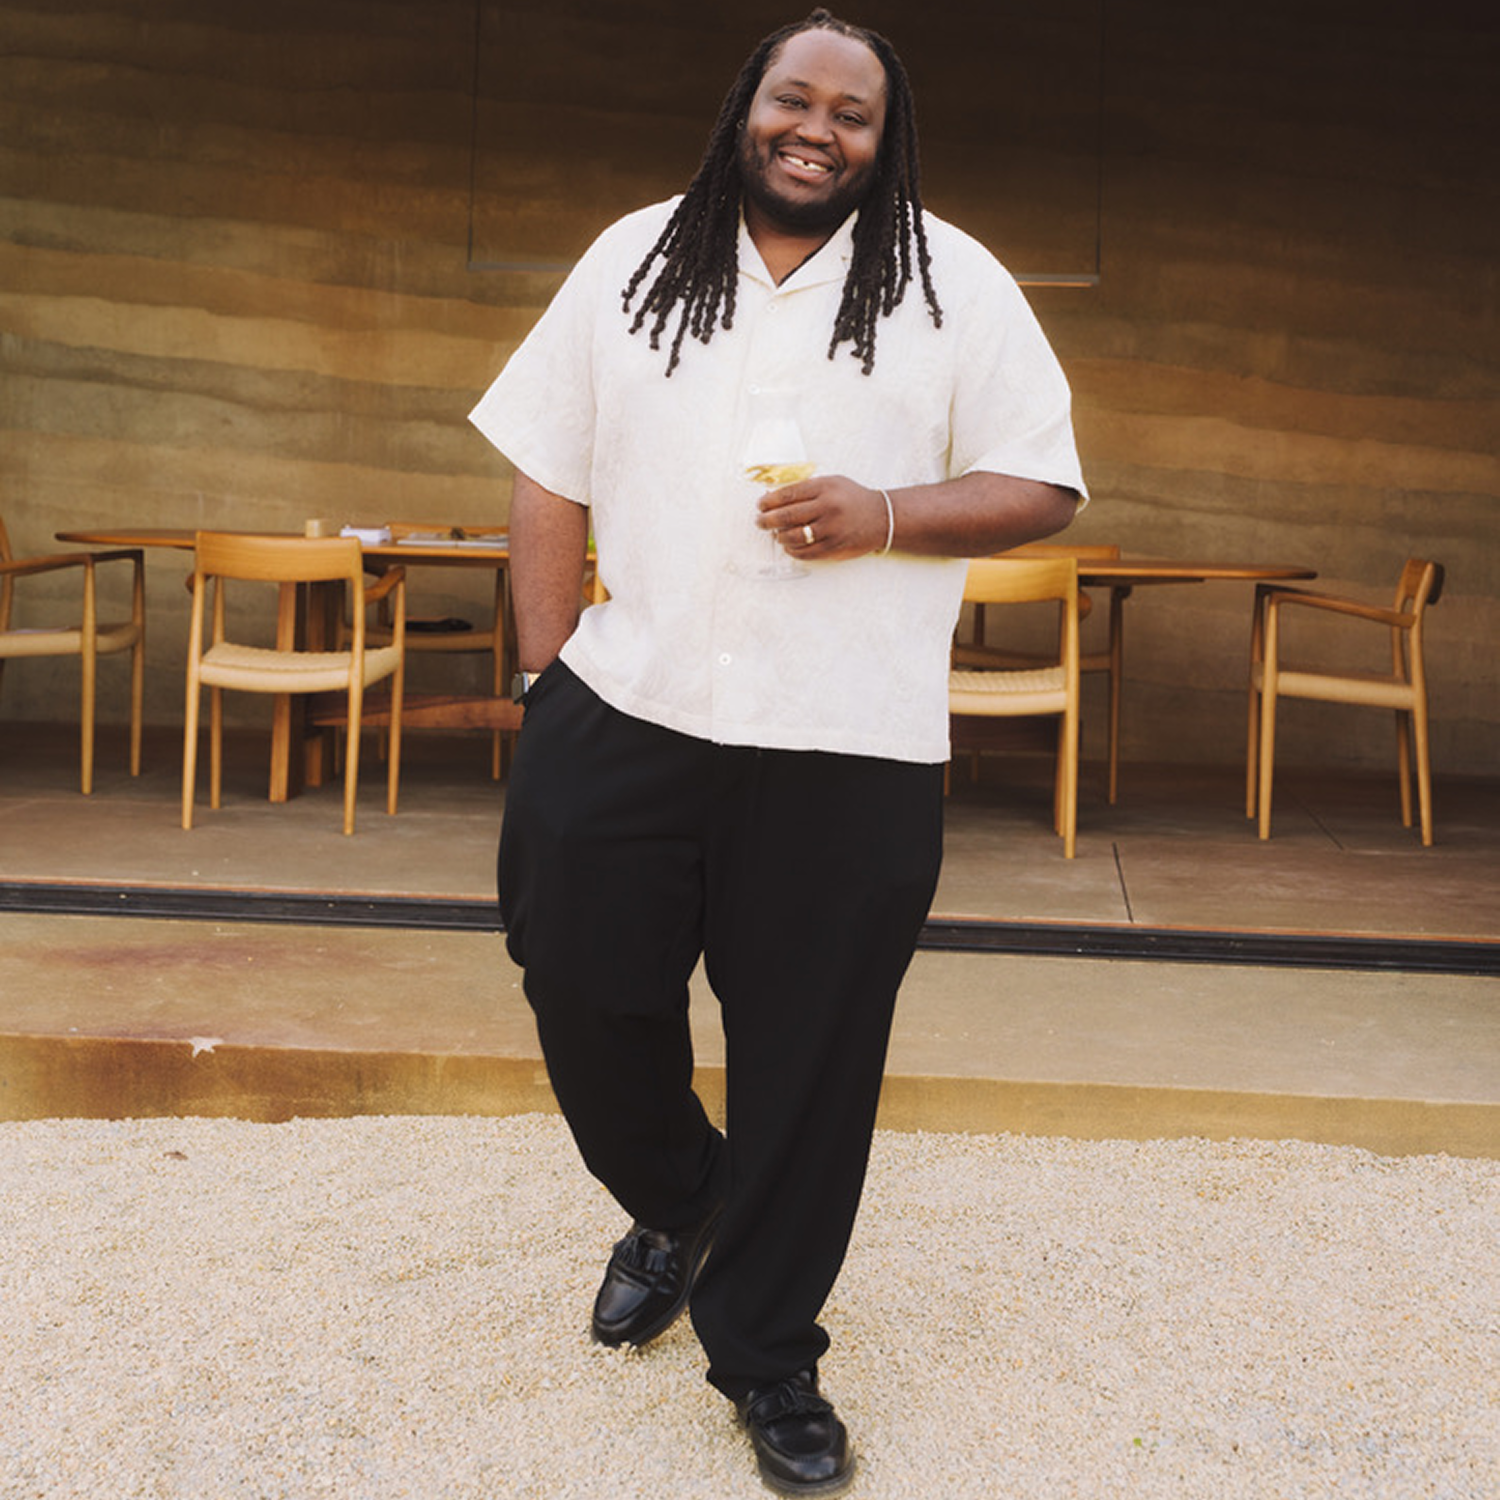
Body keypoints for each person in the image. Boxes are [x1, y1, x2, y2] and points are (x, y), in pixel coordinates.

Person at [469, 9, 1086, 1494]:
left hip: (848, 744)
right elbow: (545, 471)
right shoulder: (631, 258)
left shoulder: (956, 283)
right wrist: (551, 680)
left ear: (888, 135)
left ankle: (766, 1355)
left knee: (811, 1060)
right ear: (747, 105)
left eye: (853, 114)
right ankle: (684, 1198)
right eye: (794, 100)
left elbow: (1042, 481)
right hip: (630, 708)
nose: (819, 130)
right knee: (580, 984)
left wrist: (885, 512)